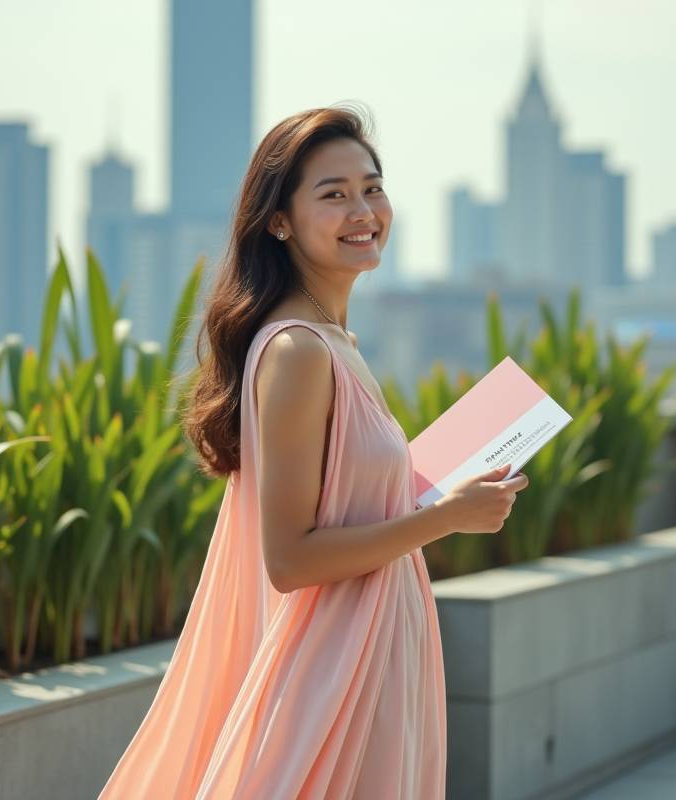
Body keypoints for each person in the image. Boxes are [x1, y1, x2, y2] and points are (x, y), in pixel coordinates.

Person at [98, 106, 528, 799]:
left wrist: (437, 487)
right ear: (279, 220)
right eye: (333, 194)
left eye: (372, 187)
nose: (364, 210)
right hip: (332, 673)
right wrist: (446, 517)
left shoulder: (334, 343)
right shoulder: (298, 351)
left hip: (373, 653)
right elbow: (291, 559)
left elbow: (346, 500)